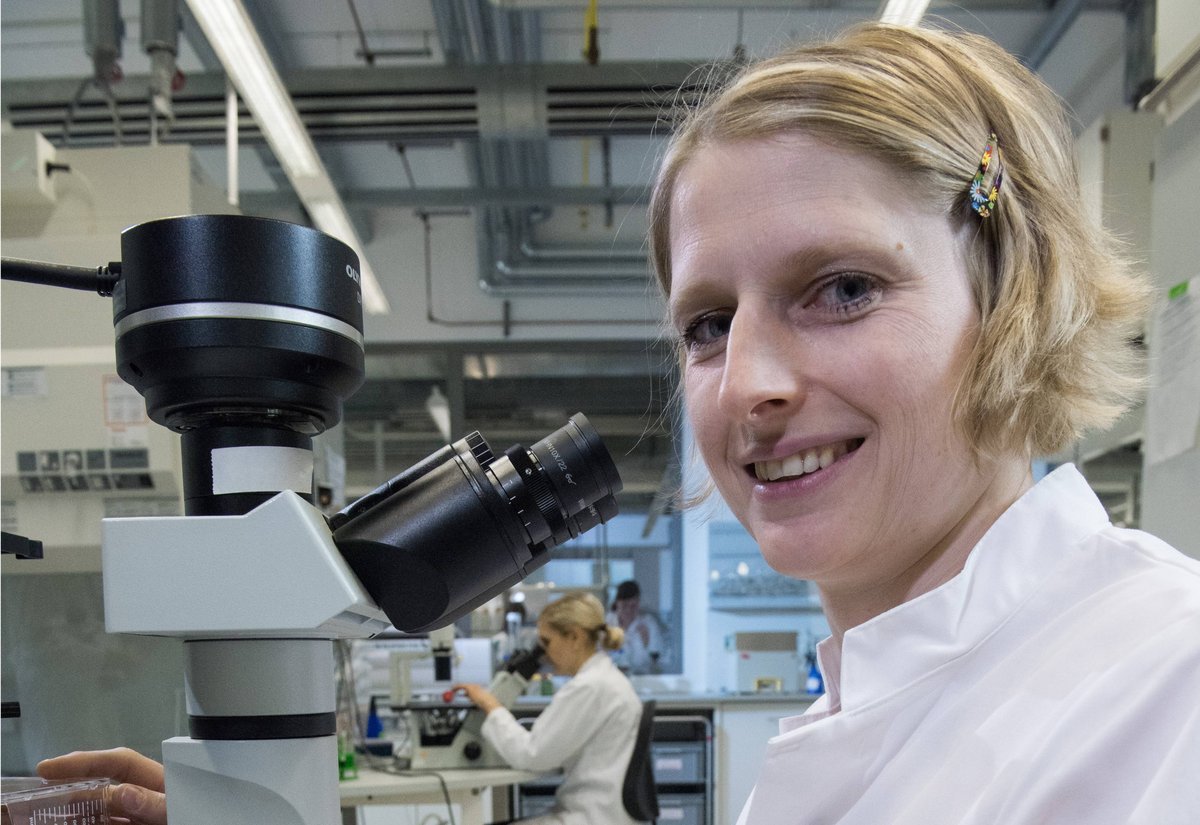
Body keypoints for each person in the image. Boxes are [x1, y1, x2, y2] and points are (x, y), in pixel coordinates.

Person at [647, 20, 1200, 824]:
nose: (744, 386)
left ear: (1017, 297)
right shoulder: (857, 711)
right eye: (709, 325)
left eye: (843, 290)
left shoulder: (1167, 688)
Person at [454, 591, 643, 825]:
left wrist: (490, 704)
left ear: (574, 637)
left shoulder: (589, 687)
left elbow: (530, 755)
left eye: (547, 641)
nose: (544, 653)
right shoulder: (602, 679)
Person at [605, 580, 667, 674]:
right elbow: (600, 656)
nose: (629, 610)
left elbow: (657, 660)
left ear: (638, 603)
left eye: (633, 606)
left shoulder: (648, 623)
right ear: (617, 603)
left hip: (642, 680)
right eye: (624, 605)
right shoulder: (607, 623)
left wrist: (647, 643)